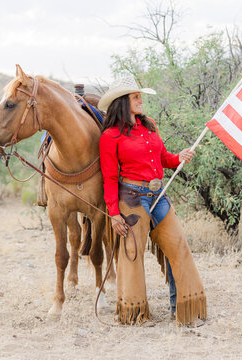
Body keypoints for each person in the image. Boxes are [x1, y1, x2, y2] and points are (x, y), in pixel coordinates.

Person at [98, 75, 207, 326]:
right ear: (122, 102)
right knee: (132, 254)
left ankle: (184, 309)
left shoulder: (150, 126)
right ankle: (134, 315)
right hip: (132, 198)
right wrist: (114, 213)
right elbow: (110, 177)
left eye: (140, 96)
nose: (140, 100)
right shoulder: (110, 136)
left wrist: (179, 157)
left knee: (177, 244)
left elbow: (164, 159)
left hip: (159, 194)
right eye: (136, 97)